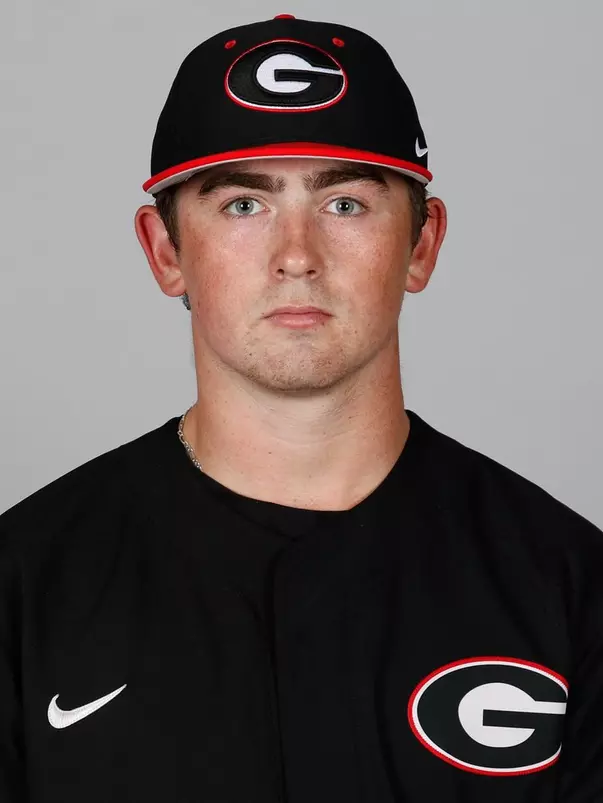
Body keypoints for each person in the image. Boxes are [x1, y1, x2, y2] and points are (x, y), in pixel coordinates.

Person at [1, 14, 602, 803]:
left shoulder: (569, 587)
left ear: (421, 244)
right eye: (242, 206)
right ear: (164, 250)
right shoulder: (25, 584)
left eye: (345, 203)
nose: (296, 254)